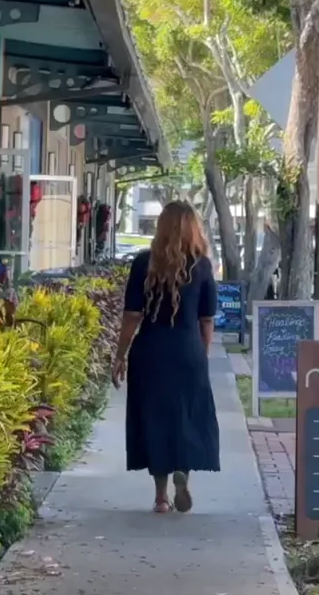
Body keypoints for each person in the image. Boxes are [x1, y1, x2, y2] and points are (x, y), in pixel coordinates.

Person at [111, 201, 221, 514]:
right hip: (188, 350)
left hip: (150, 351)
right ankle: (182, 473)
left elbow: (132, 315)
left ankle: (160, 497)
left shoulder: (144, 263)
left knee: (154, 419)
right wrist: (203, 353)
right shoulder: (201, 266)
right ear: (194, 228)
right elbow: (206, 320)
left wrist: (120, 356)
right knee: (185, 416)